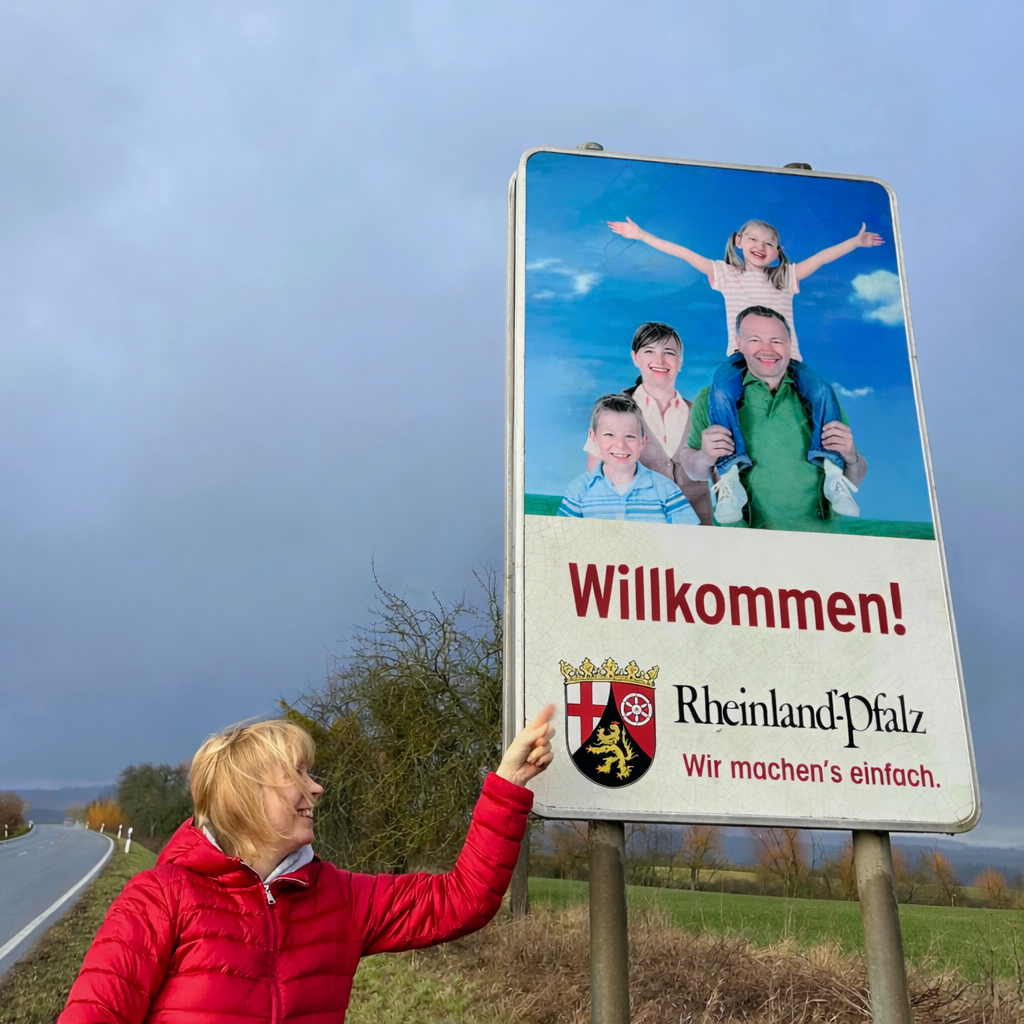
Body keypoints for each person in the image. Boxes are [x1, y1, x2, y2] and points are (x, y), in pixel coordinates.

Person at [57, 708, 556, 1024]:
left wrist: (507, 784)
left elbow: (461, 900)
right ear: (247, 795)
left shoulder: (340, 897)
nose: (316, 788)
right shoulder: (159, 898)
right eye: (296, 774)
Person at [607, 215, 883, 519]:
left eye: (769, 243)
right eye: (752, 239)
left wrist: (856, 242)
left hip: (787, 360)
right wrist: (642, 235)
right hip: (742, 358)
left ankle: (832, 471)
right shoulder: (727, 275)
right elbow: (684, 254)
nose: (760, 247)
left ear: (777, 252)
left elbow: (821, 258)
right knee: (721, 390)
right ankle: (729, 474)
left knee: (822, 390)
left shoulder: (785, 278)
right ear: (738, 241)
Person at [680, 306, 867, 532]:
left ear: (790, 345)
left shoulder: (821, 399)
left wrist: (850, 457)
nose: (767, 349)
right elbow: (693, 470)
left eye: (777, 341)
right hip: (742, 541)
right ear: (739, 344)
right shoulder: (710, 398)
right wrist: (705, 456)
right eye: (755, 339)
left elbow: (856, 478)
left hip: (819, 537)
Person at [582, 322, 714, 524]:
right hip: (638, 530)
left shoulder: (701, 412)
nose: (659, 360)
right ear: (635, 357)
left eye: (669, 353)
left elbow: (722, 475)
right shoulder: (611, 411)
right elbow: (596, 477)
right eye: (649, 351)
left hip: (696, 532)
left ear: (680, 362)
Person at [560, 392, 698, 524]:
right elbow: (561, 539)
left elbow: (690, 538)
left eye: (630, 436)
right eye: (609, 434)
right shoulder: (579, 490)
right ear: (593, 437)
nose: (620, 445)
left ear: (643, 441)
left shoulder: (666, 489)